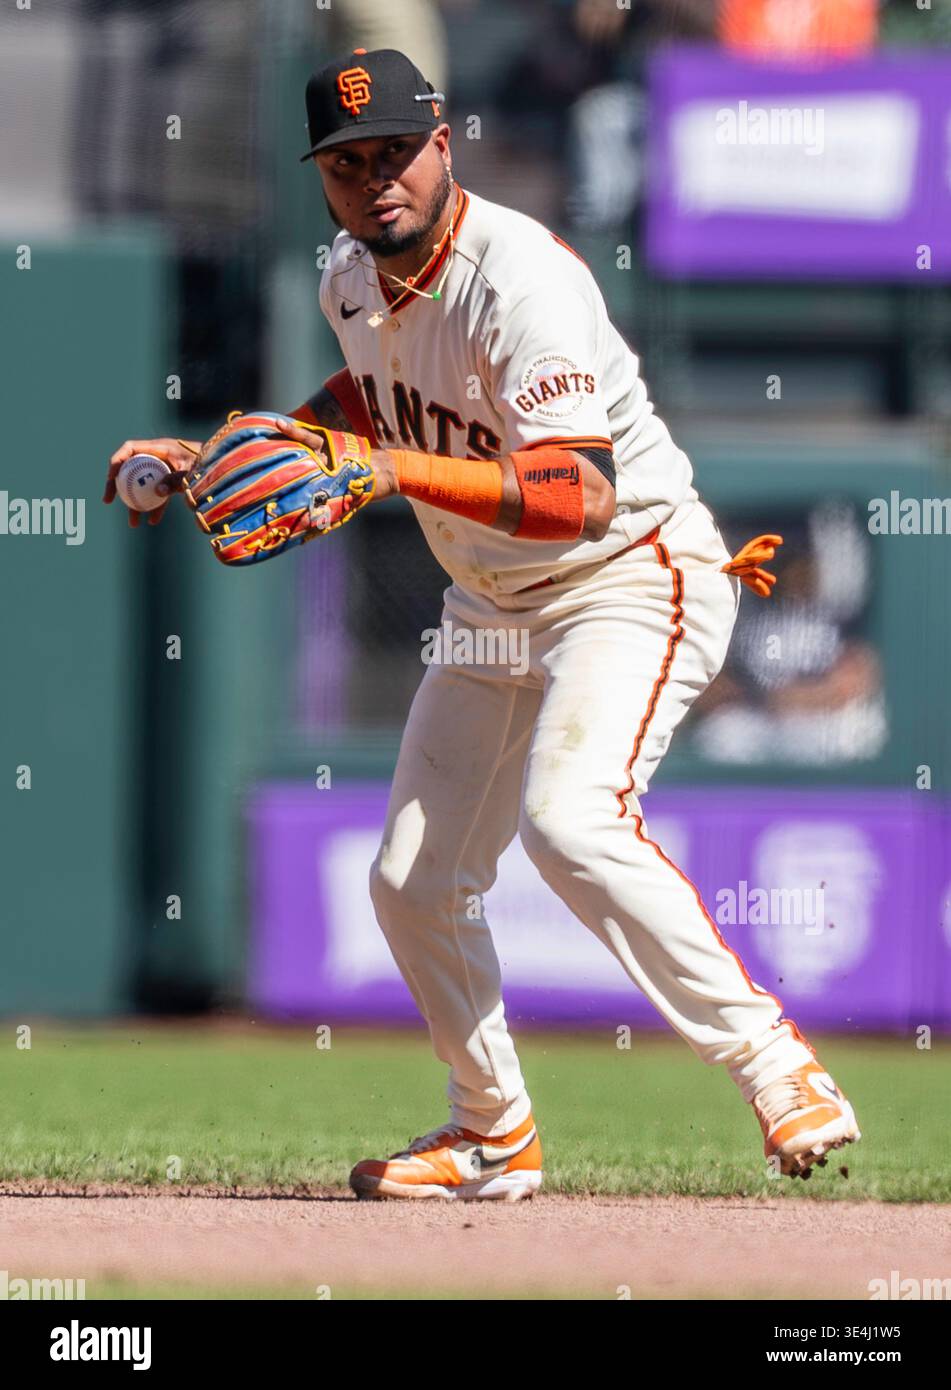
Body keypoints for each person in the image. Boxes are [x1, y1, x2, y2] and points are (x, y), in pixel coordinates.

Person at [104, 47, 860, 1199]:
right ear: (323, 180)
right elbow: (369, 396)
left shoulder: (521, 282)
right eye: (347, 162)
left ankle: (777, 1065)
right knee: (410, 878)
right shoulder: (349, 279)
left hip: (628, 575)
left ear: (444, 143)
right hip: (491, 605)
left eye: (395, 151)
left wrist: (384, 468)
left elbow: (578, 494)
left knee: (571, 819)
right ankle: (491, 1133)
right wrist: (221, 453)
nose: (375, 180)